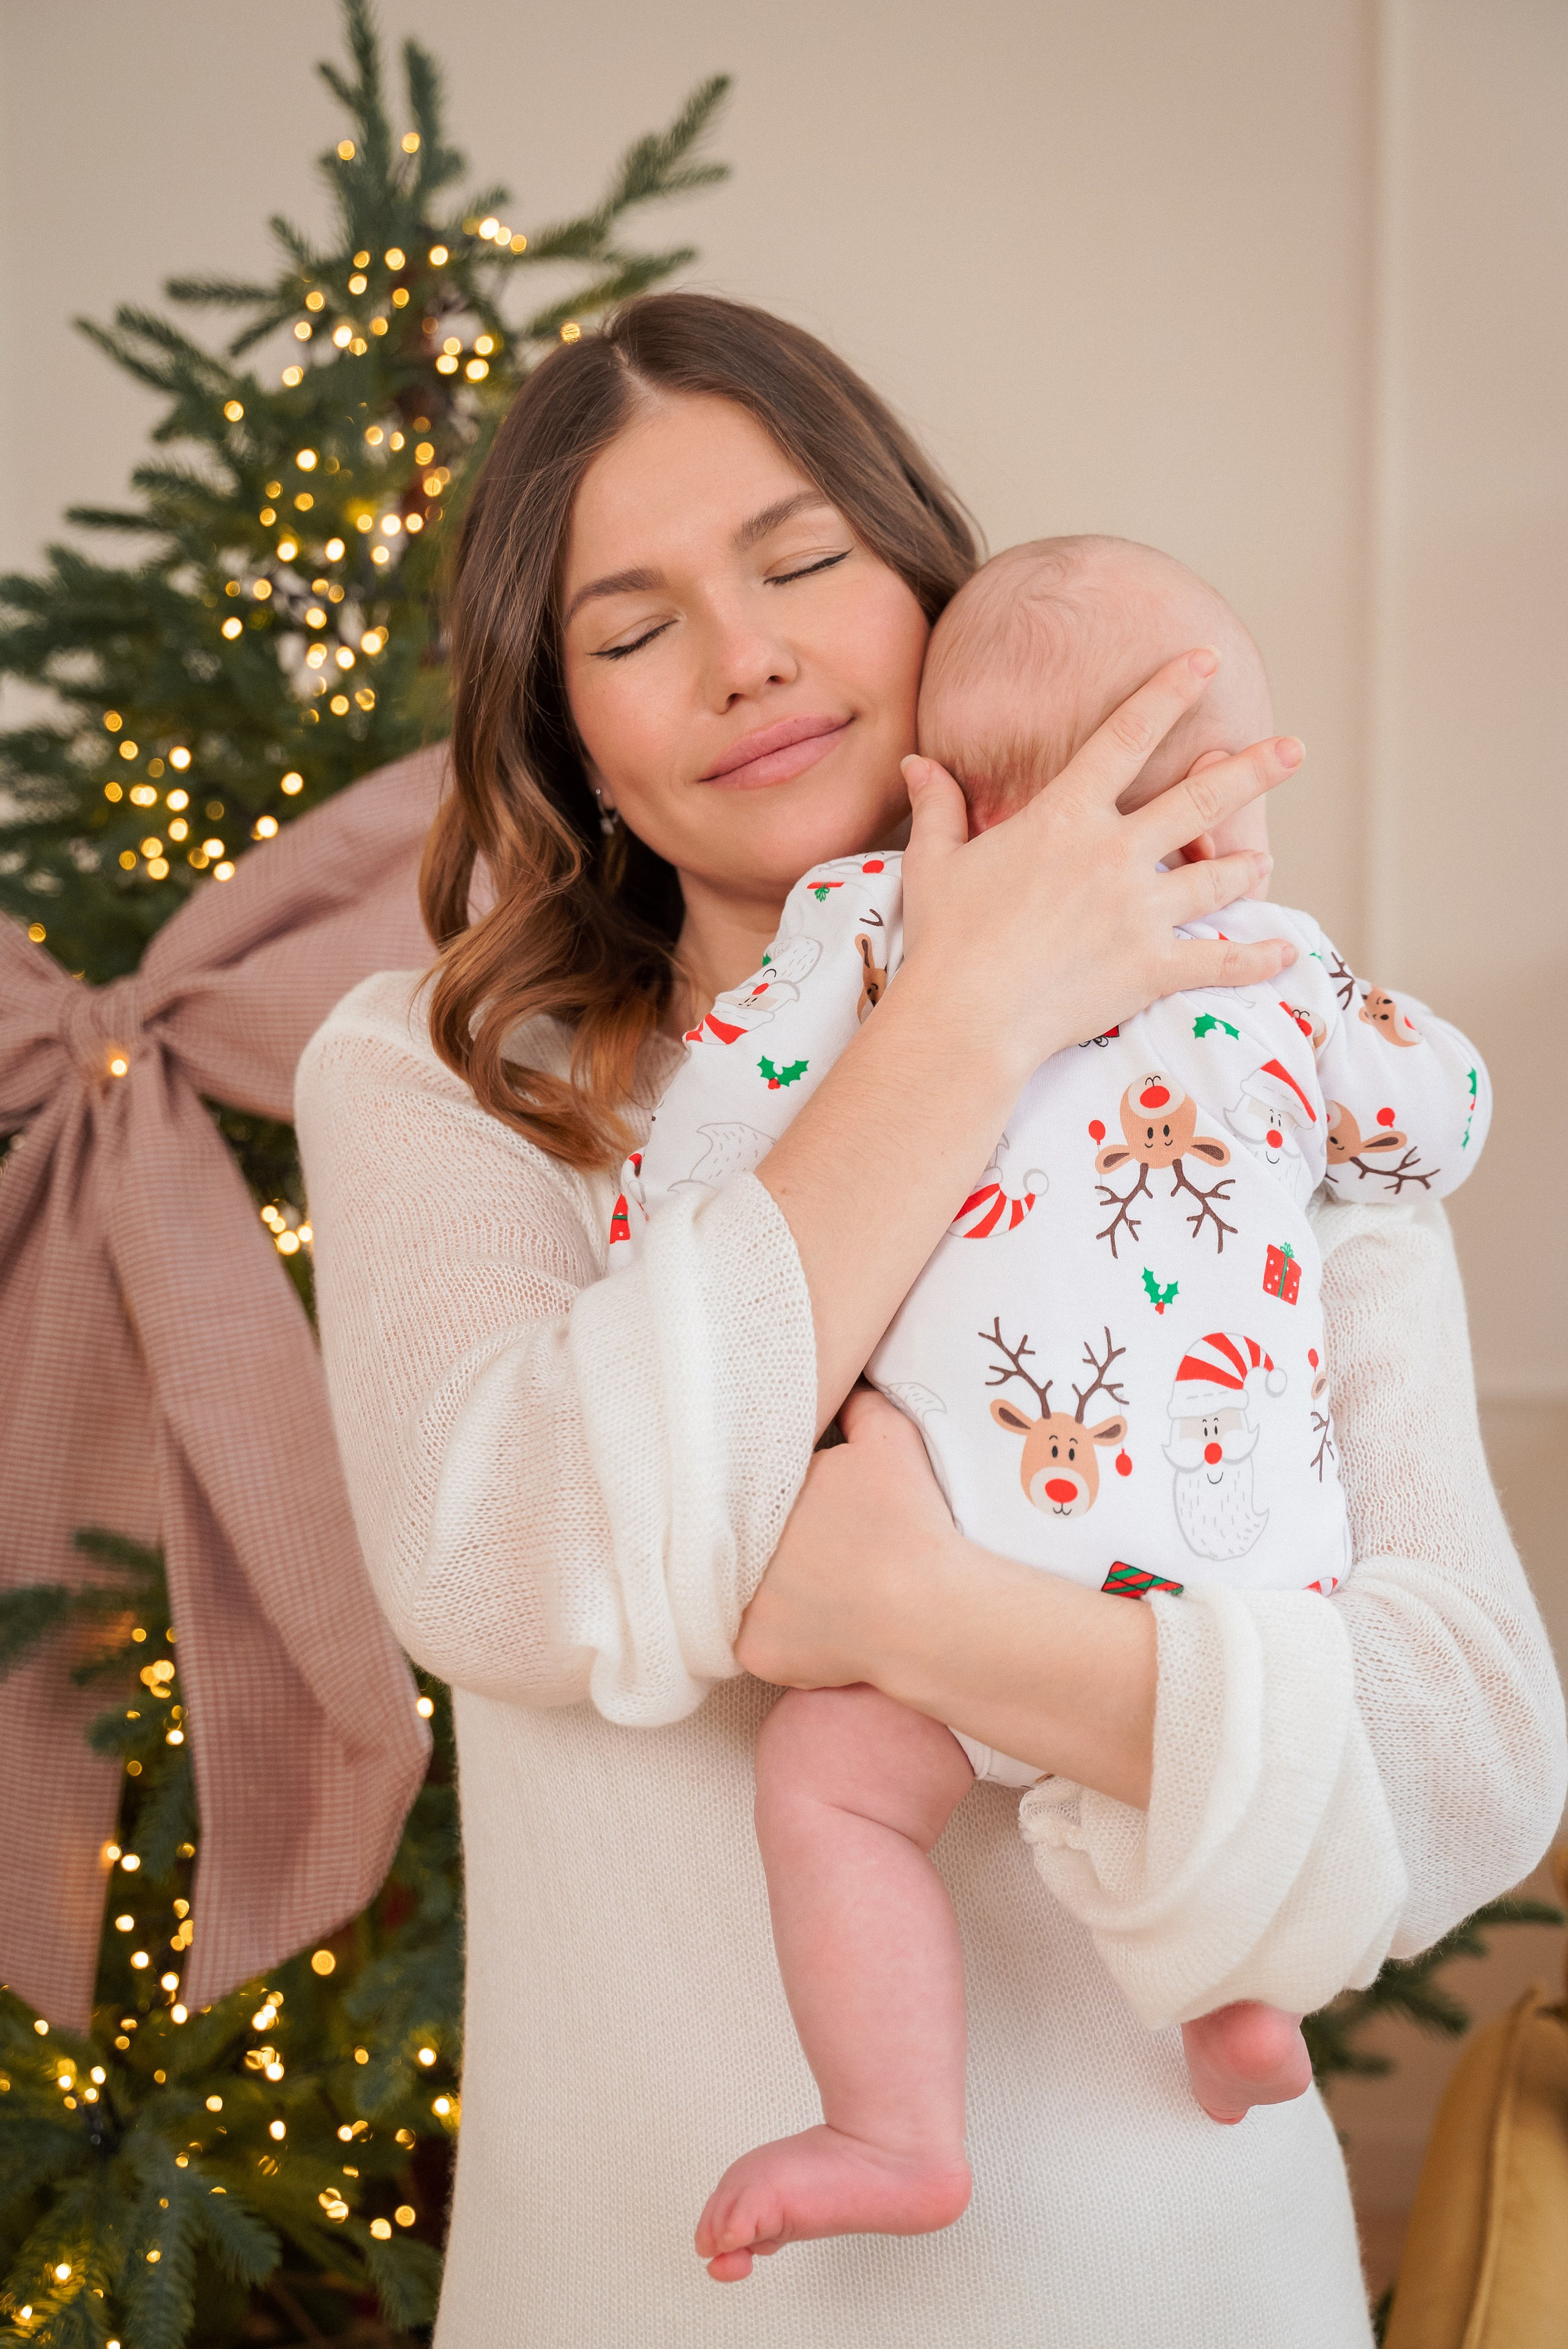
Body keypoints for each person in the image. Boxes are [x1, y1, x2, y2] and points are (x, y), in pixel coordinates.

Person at [293, 293, 1566, 2348]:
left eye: (802, 562)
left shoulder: (1241, 1032)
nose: (745, 656)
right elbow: (512, 1556)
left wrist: (923, 1619)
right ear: (567, 735)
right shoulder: (456, 1079)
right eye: (633, 630)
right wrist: (963, 1013)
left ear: (926, 590)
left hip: (1190, 2297)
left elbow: (1476, 1750)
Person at [612, 534, 1492, 2278]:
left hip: (952, 1520)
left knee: (833, 1788)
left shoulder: (868, 933)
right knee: (1215, 1732)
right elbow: (1437, 1118)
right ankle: (1241, 2003)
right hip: (1239, 1558)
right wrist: (1354, 1065)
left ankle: (893, 2124)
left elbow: (712, 1169)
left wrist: (657, 1231)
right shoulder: (1277, 960)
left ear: (954, 792)